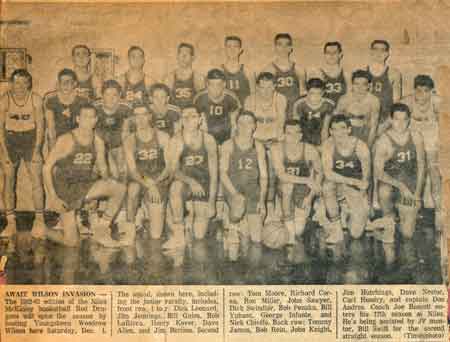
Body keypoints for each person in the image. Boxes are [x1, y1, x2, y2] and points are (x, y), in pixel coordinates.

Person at [43, 104, 126, 247]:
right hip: (65, 189)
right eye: (85, 117)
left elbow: (102, 169)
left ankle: (102, 230)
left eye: (92, 117)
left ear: (96, 120)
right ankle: (44, 230)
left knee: (119, 188)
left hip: (84, 184)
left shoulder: (97, 140)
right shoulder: (66, 139)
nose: (89, 121)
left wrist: (98, 195)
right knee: (71, 242)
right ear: (78, 119)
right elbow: (46, 168)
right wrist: (53, 197)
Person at [0, 69, 46, 239]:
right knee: (8, 180)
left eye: (24, 82)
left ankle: (39, 221)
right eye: (16, 82)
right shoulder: (4, 100)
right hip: (10, 140)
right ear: (11, 84)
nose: (20, 86)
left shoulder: (36, 99)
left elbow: (41, 127)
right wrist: (3, 152)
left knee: (36, 180)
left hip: (30, 139)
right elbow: (0, 129)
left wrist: (37, 150)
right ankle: (11, 222)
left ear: (29, 84)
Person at [164, 106, 218, 250]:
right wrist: (191, 181)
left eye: (193, 116)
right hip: (185, 183)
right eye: (185, 117)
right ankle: (179, 235)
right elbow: (173, 171)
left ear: (200, 119)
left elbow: (214, 174)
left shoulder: (208, 139)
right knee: (175, 188)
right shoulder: (176, 139)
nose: (189, 119)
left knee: (199, 235)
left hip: (203, 184)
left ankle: (190, 215)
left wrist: (212, 202)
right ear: (181, 120)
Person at [372, 103, 425, 244]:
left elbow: (421, 166)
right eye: (396, 119)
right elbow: (378, 173)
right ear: (391, 119)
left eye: (404, 119)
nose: (400, 124)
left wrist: (417, 194)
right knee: (384, 191)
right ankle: (388, 219)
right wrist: (401, 186)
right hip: (392, 182)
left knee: (407, 234)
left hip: (410, 183)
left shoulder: (416, 136)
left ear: (409, 120)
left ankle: (399, 216)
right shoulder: (383, 140)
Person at [220, 111, 268, 260]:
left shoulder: (259, 146)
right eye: (241, 123)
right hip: (233, 188)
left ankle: (243, 221)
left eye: (249, 122)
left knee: (257, 239)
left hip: (252, 189)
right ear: (236, 125)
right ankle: (232, 227)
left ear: (254, 126)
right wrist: (234, 194)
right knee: (239, 203)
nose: (245, 126)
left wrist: (262, 200)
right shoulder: (228, 144)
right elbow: (222, 173)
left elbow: (264, 176)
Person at [124, 105, 171, 240]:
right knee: (133, 189)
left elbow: (169, 168)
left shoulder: (162, 136)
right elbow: (133, 171)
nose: (140, 119)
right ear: (133, 119)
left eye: (143, 114)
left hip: (159, 179)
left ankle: (147, 209)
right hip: (141, 179)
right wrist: (148, 184)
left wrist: (155, 184)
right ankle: (130, 228)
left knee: (156, 235)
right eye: (137, 115)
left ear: (150, 116)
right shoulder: (130, 140)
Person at [271, 120, 322, 245]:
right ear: (283, 134)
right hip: (283, 189)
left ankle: (311, 208)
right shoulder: (276, 148)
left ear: (301, 135)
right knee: (287, 185)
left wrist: (309, 198)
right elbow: (281, 175)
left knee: (299, 230)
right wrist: (307, 180)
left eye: (296, 133)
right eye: (289, 133)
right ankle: (290, 234)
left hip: (302, 190)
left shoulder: (310, 149)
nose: (293, 137)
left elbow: (319, 173)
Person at [321, 114, 371, 243]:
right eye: (335, 129)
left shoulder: (360, 146)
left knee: (356, 233)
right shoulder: (327, 145)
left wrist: (363, 198)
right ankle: (337, 229)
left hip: (355, 189)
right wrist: (352, 181)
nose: (339, 132)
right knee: (327, 186)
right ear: (330, 131)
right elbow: (328, 174)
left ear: (349, 129)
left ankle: (347, 208)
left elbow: (366, 180)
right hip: (339, 185)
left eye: (342, 128)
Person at [244, 72, 287, 219]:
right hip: (256, 141)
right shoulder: (250, 100)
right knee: (256, 174)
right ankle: (255, 208)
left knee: (277, 173)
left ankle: (276, 207)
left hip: (275, 140)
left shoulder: (280, 99)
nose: (266, 91)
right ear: (257, 87)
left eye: (270, 87)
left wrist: (275, 141)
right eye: (262, 88)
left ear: (275, 86)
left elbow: (281, 123)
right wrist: (256, 143)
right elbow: (246, 124)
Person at [401, 75, 441, 221]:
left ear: (432, 92)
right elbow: (391, 120)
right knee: (412, 170)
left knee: (433, 170)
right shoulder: (407, 101)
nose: (421, 95)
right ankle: (412, 208)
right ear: (414, 90)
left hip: (431, 138)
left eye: (425, 91)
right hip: (414, 138)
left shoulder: (437, 102)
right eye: (418, 90)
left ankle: (439, 211)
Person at [94, 79, 133, 181]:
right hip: (99, 147)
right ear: (102, 95)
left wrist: (124, 155)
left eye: (114, 95)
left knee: (122, 169)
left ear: (120, 95)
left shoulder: (126, 108)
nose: (111, 99)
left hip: (118, 146)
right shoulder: (95, 108)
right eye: (107, 94)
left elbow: (126, 133)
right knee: (99, 169)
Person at [44, 68, 90, 149]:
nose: (65, 85)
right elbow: (51, 129)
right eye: (62, 82)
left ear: (75, 83)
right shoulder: (51, 101)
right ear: (58, 84)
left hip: (76, 141)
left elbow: (86, 127)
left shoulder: (83, 101)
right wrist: (53, 152)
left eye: (68, 82)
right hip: (57, 141)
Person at [194, 68, 241, 146]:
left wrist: (230, 144)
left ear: (224, 84)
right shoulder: (200, 98)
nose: (215, 88)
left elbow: (234, 125)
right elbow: (200, 125)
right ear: (207, 84)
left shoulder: (231, 97)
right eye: (212, 85)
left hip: (226, 134)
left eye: (218, 84)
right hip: (206, 133)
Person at [263, 33, 306, 118]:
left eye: (287, 45)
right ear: (275, 47)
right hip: (276, 110)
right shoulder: (269, 69)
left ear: (291, 48)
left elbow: (303, 92)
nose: (283, 48)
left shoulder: (298, 68)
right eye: (280, 45)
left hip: (294, 110)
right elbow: (265, 94)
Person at [335, 69, 380, 148]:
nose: (359, 87)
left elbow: (374, 127)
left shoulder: (374, 101)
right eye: (356, 84)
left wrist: (368, 147)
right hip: (346, 133)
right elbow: (336, 123)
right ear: (352, 85)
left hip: (364, 134)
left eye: (363, 84)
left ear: (369, 86)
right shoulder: (344, 99)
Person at [366, 40, 402, 132]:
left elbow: (396, 104)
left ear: (387, 53)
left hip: (385, 121)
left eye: (382, 50)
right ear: (371, 52)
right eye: (376, 49)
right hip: (365, 120)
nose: (379, 53)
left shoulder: (394, 73)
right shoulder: (363, 72)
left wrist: (386, 124)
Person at [292, 78, 335, 147]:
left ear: (323, 93)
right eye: (312, 93)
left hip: (321, 135)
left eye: (319, 93)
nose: (315, 97)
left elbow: (325, 129)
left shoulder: (328, 104)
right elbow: (296, 128)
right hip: (304, 135)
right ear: (307, 92)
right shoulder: (299, 104)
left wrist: (323, 146)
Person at [165, 43, 204, 109]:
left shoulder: (198, 77)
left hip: (191, 115)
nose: (183, 56)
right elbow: (165, 101)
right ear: (177, 56)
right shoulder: (169, 78)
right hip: (175, 115)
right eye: (181, 53)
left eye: (187, 54)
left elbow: (202, 101)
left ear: (193, 58)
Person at [221, 36, 255, 105]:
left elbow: (253, 95)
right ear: (225, 49)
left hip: (244, 112)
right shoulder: (219, 71)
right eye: (229, 46)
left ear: (240, 50)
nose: (232, 50)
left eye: (235, 46)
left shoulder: (248, 71)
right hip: (225, 111)